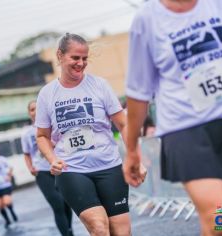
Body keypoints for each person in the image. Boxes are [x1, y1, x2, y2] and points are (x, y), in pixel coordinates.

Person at [124, 0, 222, 236]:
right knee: (219, 220)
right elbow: (138, 92)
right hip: (186, 131)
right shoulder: (146, 20)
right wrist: (132, 148)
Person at [36, 33, 146, 236]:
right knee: (98, 226)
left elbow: (123, 124)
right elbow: (42, 135)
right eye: (75, 58)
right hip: (71, 169)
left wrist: (135, 156)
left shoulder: (99, 85)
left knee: (121, 231)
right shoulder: (47, 94)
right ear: (60, 56)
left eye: (84, 58)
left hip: (109, 165)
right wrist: (52, 159)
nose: (81, 63)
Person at [22, 100, 73, 236]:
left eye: (38, 108)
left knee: (66, 203)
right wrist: (30, 167)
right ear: (29, 114)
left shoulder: (54, 126)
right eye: (32, 109)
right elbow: (27, 154)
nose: (35, 111)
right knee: (58, 205)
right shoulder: (27, 134)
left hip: (59, 169)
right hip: (42, 172)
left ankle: (69, 230)